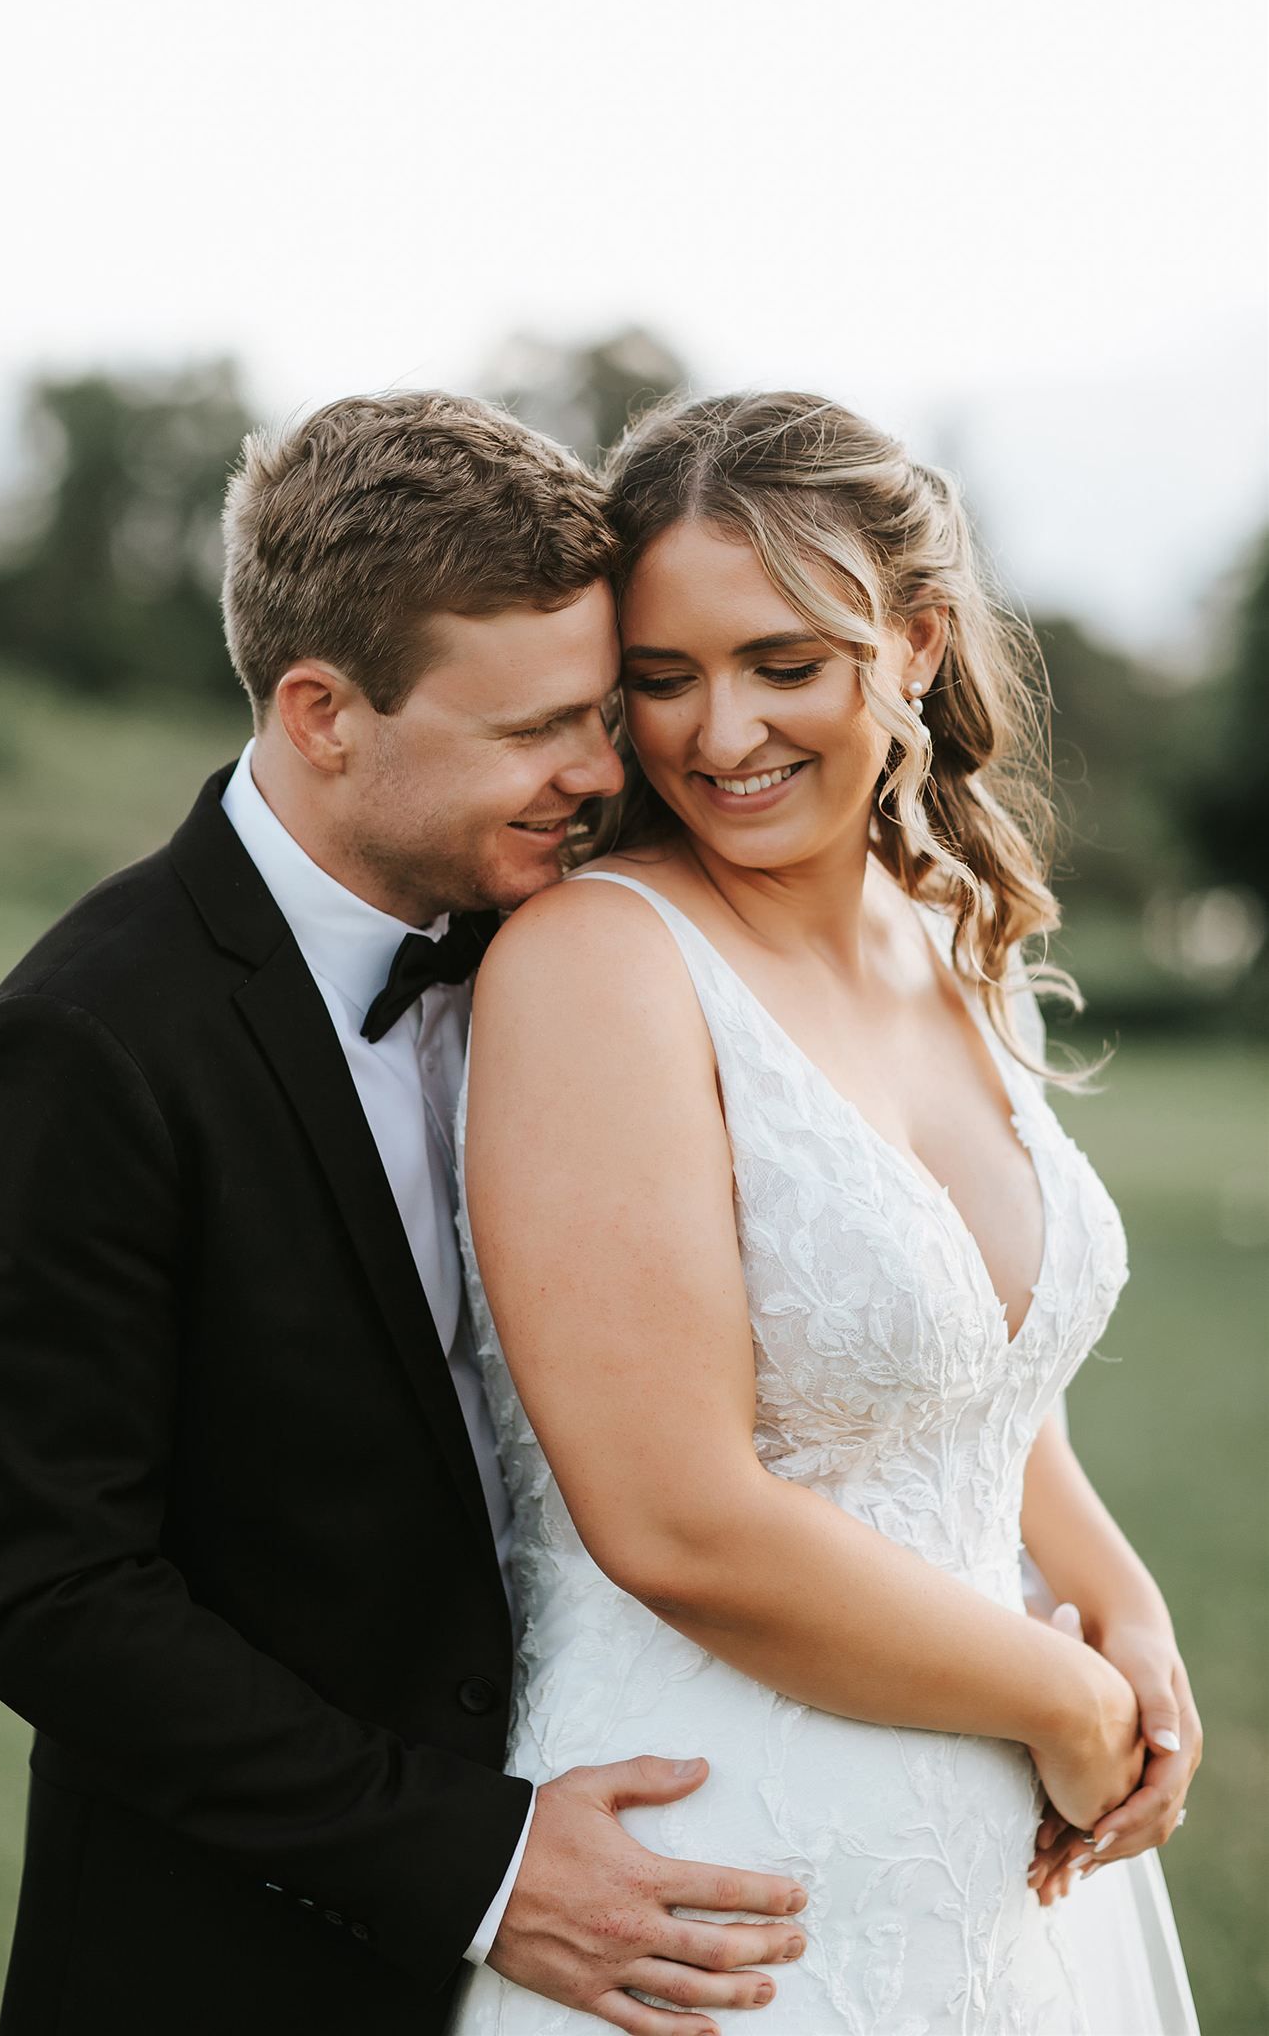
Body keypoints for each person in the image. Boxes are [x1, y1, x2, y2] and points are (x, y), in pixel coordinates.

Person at [0, 392, 812, 2036]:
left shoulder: (597, 933)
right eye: (535, 730)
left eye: (603, 713)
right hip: (239, 1963)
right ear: (324, 713)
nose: (600, 773)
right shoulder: (84, 1048)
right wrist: (474, 1865)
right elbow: (45, 1592)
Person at [453, 392, 1201, 2034]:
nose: (718, 737)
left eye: (782, 664)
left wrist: (1126, 1612)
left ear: (917, 645)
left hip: (1011, 1877)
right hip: (726, 1886)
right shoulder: (596, 967)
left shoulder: (942, 931)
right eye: (662, 680)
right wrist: (1066, 1696)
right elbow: (675, 1522)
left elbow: (989, 1390)